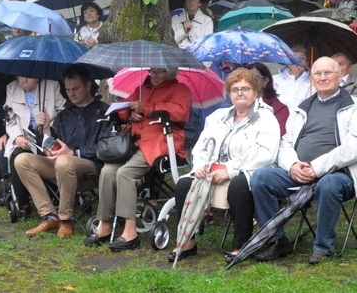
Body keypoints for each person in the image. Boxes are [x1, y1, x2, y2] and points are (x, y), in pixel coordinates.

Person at [250, 56, 357, 264]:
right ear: (312, 79)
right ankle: (276, 240)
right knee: (261, 177)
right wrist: (292, 166)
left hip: (342, 174)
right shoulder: (302, 108)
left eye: (328, 73)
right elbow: (285, 143)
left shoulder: (356, 107)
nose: (323, 77)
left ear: (340, 75)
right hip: (300, 173)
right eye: (318, 73)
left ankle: (323, 247)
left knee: (328, 183)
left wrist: (317, 168)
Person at [168, 69, 280, 263]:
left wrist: (230, 169)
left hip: (246, 170)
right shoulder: (218, 117)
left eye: (246, 88)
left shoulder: (266, 118)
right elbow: (202, 147)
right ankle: (187, 242)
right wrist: (201, 165)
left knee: (239, 185)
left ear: (255, 92)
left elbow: (264, 154)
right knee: (184, 184)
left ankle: (240, 245)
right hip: (212, 169)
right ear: (229, 94)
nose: (240, 93)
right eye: (235, 89)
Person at [83, 67, 191, 251]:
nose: (154, 75)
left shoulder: (181, 90)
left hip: (159, 141)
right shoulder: (143, 88)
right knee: (108, 171)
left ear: (172, 73)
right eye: (153, 71)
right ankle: (105, 225)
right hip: (133, 141)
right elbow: (123, 107)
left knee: (125, 173)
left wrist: (147, 108)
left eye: (160, 72)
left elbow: (181, 113)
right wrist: (129, 113)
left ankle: (130, 231)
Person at [17, 66, 109, 238]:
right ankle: (50, 215)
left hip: (91, 167)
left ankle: (66, 219)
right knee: (22, 160)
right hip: (61, 165)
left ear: (88, 86)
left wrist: (73, 153)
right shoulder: (64, 115)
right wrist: (45, 135)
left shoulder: (104, 111)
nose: (71, 94)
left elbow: (106, 147)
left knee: (64, 161)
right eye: (67, 90)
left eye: (75, 89)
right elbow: (54, 142)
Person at [0, 76, 66, 210]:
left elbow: (64, 113)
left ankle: (53, 197)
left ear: (37, 77)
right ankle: (21, 203)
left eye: (28, 77)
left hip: (49, 135)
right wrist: (17, 137)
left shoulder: (52, 85)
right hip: (23, 135)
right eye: (20, 77)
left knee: (51, 152)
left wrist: (50, 122)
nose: (24, 80)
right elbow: (10, 119)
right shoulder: (12, 88)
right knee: (16, 154)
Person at [244, 62, 289, 136]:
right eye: (246, 78)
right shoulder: (239, 104)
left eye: (255, 78)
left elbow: (277, 135)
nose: (250, 81)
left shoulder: (278, 108)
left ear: (265, 80)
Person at [273, 46, 313, 110]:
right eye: (293, 58)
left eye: (301, 58)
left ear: (307, 63)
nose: (297, 61)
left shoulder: (313, 84)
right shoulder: (274, 80)